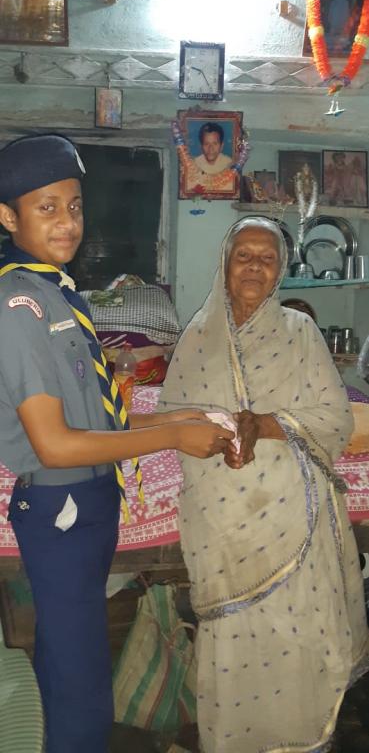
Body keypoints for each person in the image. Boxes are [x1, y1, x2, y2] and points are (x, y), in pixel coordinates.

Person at [0, 133, 234, 753]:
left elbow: (100, 424)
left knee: (68, 662)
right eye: (46, 207)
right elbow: (54, 446)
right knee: (83, 699)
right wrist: (179, 434)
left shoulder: (56, 292)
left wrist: (179, 418)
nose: (67, 222)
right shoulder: (19, 304)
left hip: (88, 504)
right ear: (7, 216)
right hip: (62, 507)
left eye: (74, 206)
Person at [160, 216, 369, 753]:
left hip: (294, 518)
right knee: (234, 649)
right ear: (225, 266)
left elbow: (336, 420)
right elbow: (171, 417)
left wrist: (265, 425)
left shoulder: (301, 334)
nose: (254, 267)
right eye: (243, 256)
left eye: (267, 258)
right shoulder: (196, 336)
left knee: (298, 640)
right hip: (222, 524)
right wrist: (212, 436)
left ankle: (302, 740)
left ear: (280, 271)